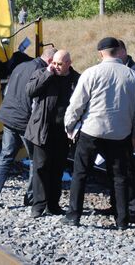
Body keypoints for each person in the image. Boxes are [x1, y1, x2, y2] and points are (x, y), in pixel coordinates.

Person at [62, 37, 135, 229]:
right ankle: (122, 220)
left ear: (100, 53)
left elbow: (76, 104)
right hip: (120, 135)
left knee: (80, 174)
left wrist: (69, 125)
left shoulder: (91, 73)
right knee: (120, 177)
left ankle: (73, 215)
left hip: (91, 132)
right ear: (118, 52)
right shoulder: (132, 76)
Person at [0, 47, 57, 208]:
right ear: (51, 61)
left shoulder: (21, 65)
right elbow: (36, 101)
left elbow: (8, 90)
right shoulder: (41, 71)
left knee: (5, 156)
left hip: (8, 116)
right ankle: (30, 198)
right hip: (24, 121)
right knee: (35, 160)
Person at [25, 50, 80, 217]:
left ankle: (53, 204)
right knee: (41, 168)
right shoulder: (42, 73)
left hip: (63, 132)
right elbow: (30, 91)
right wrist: (48, 74)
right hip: (42, 129)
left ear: (68, 64)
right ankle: (38, 205)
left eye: (59, 64)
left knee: (57, 169)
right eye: (54, 63)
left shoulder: (76, 79)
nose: (55, 66)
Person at [103, 39, 135, 223]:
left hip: (127, 129)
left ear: (121, 52)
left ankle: (130, 210)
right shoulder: (125, 70)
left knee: (127, 170)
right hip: (117, 128)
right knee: (115, 169)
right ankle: (117, 205)